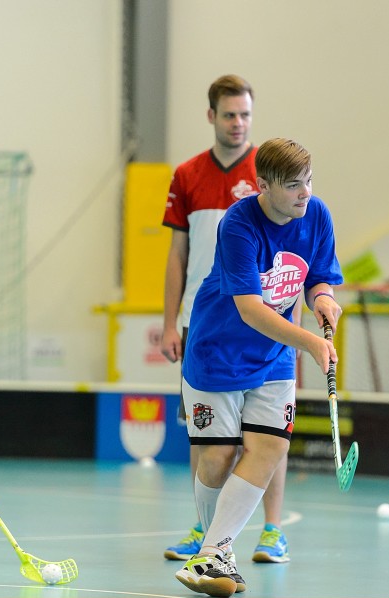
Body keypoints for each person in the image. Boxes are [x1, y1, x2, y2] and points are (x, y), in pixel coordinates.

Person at [175, 137, 343, 598]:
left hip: (274, 356)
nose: (305, 193)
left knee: (269, 447)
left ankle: (213, 552)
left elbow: (318, 276)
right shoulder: (238, 224)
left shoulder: (316, 214)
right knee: (217, 458)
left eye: (309, 181)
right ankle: (214, 550)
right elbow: (250, 310)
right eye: (293, 186)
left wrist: (322, 299)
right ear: (264, 186)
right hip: (218, 351)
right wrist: (311, 341)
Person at [161, 74, 292, 565]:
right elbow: (177, 255)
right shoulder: (186, 175)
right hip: (203, 321)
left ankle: (272, 531)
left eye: (246, 115)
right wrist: (170, 322)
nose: (239, 123)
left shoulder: (269, 174)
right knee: (206, 434)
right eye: (230, 114)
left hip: (263, 319)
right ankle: (206, 530)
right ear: (211, 116)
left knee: (267, 433)